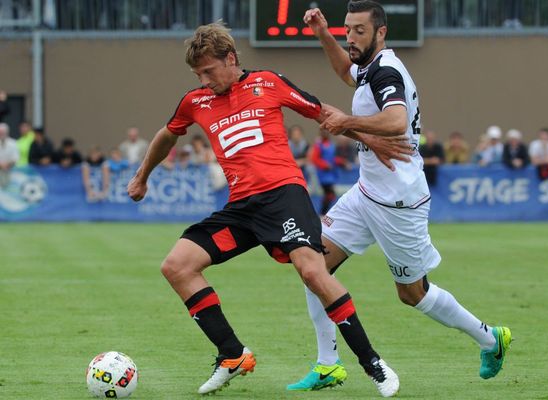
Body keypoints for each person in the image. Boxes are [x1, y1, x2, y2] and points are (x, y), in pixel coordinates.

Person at [126, 21, 403, 397]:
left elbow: (323, 113)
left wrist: (369, 138)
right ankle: (232, 354)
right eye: (198, 74)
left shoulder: (269, 82)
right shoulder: (196, 101)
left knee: (312, 272)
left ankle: (372, 363)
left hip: (284, 196)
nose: (205, 80)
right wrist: (143, 177)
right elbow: (166, 134)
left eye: (209, 71)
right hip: (241, 208)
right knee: (176, 266)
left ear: (231, 58)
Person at [288, 1, 512, 393]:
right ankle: (328, 364)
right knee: (313, 266)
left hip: (397, 202)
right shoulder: (369, 68)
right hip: (366, 193)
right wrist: (323, 33)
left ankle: (490, 338)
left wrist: (347, 122)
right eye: (348, 29)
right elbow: (345, 70)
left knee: (412, 294)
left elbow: (394, 120)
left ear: (381, 33)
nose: (351, 38)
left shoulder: (387, 70)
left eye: (360, 31)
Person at [311, 128, 339, 215]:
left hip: (331, 174)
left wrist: (342, 162)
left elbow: (332, 159)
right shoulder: (319, 145)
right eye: (323, 131)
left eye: (327, 131)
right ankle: (322, 213)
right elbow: (314, 159)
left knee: (330, 195)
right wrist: (325, 165)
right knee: (330, 194)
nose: (325, 133)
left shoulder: (331, 144)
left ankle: (323, 213)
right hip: (323, 175)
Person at [0, 122, 19, 188]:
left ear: (7, 132)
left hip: (11, 171)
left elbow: (15, 158)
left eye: (3, 132)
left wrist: (6, 164)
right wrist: (1, 165)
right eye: (0, 132)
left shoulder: (13, 143)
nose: (1, 134)